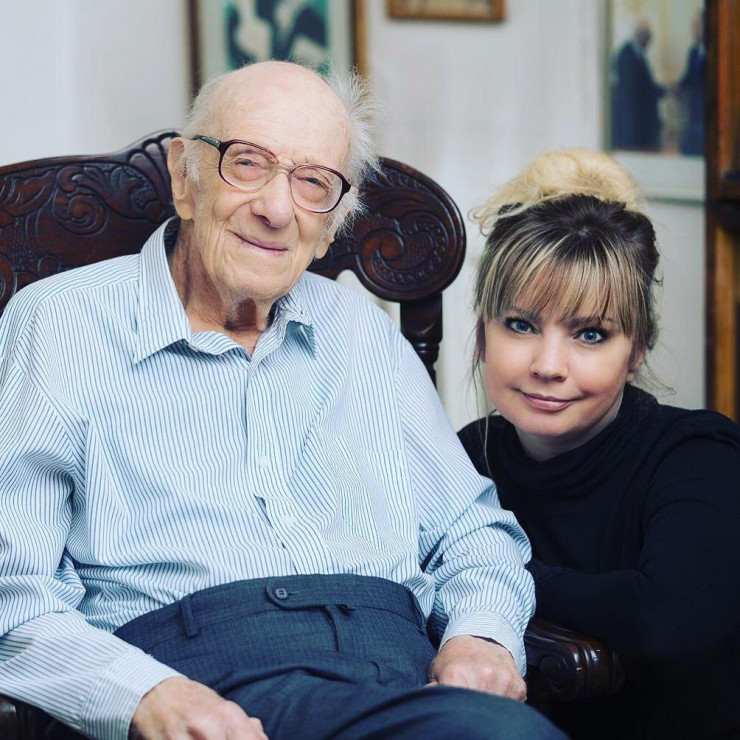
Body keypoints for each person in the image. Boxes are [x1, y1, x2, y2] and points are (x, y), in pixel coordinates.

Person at [0, 62, 563, 740]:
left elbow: (471, 534)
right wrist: (143, 694)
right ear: (184, 176)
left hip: (402, 680)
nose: (276, 209)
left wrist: (482, 636)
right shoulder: (62, 324)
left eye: (313, 183)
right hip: (209, 690)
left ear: (330, 226)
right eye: (247, 163)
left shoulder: (360, 331)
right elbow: (13, 591)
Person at [459, 149, 740, 740]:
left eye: (590, 334)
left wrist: (491, 569)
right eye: (521, 325)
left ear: (636, 351)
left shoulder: (698, 455)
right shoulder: (461, 460)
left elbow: (670, 620)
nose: (548, 366)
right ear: (483, 334)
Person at [612, 20, 665, 151]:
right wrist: (661, 92)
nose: (649, 41)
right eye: (648, 36)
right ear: (642, 35)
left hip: (638, 124)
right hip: (633, 126)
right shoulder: (627, 55)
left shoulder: (638, 54)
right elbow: (636, 91)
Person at [677, 9, 705, 156]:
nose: (694, 30)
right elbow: (688, 76)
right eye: (693, 26)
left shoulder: (718, 51)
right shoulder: (693, 51)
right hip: (693, 107)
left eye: (697, 26)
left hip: (707, 109)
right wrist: (678, 87)